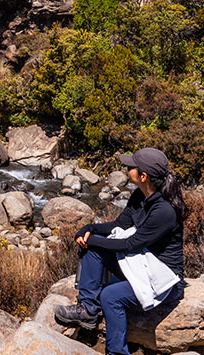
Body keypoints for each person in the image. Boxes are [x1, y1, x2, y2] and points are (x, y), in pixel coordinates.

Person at [54, 147, 187, 355]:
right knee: (93, 250)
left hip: (164, 278)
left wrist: (95, 241)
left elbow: (130, 244)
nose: (127, 168)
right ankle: (88, 309)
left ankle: (117, 352)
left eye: (131, 167)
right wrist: (90, 228)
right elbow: (119, 225)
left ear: (143, 176)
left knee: (110, 296)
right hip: (142, 263)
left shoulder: (163, 211)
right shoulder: (139, 196)